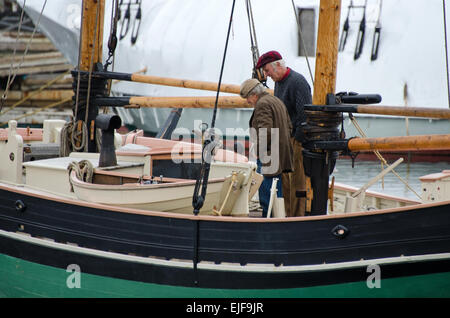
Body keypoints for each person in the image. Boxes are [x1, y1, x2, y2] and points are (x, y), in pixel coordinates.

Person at [255, 50, 312, 217]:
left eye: (267, 70)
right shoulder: (280, 82)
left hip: (295, 140)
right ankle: (285, 214)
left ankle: (296, 216)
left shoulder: (297, 82)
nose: (266, 75)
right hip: (285, 140)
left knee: (296, 181)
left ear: (278, 65)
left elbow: (304, 115)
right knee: (285, 181)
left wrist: (296, 140)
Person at [240, 78, 293, 217]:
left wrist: (259, 151)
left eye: (247, 98)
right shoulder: (275, 100)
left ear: (254, 95)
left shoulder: (262, 104)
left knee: (267, 193)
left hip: (269, 156)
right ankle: (278, 217)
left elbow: (265, 131)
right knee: (277, 191)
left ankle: (267, 220)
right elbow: (289, 126)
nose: (247, 101)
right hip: (280, 154)